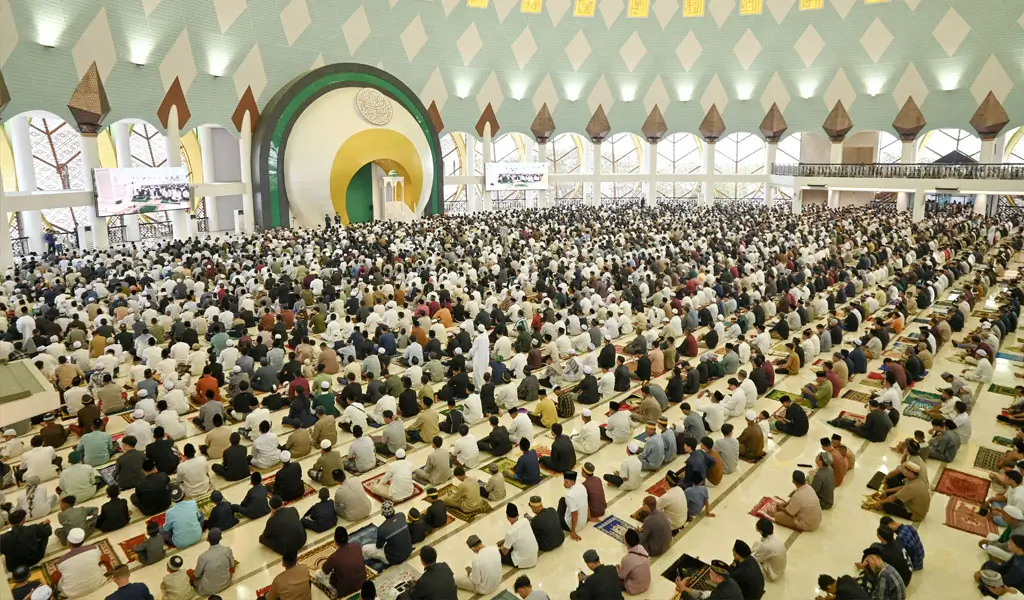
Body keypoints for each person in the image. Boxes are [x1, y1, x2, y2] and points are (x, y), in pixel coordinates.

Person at [52, 528, 111, 598]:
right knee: (104, 558)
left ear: (68, 543)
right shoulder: (94, 549)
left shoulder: (61, 561)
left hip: (72, 593)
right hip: (97, 582)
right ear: (82, 541)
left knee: (55, 575)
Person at [315, 527, 367, 598]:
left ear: (335, 542)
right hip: (362, 583)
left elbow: (324, 571)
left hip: (345, 590)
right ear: (348, 537)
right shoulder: (357, 546)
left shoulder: (334, 557)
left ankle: (333, 590)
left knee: (318, 574)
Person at [361, 501, 413, 567]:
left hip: (393, 559)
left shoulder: (382, 528)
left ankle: (366, 563)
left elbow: (378, 546)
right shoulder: (402, 515)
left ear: (383, 514)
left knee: (364, 548)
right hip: (408, 551)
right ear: (393, 510)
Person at [500, 502, 539, 567]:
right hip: (534, 557)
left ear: (507, 517)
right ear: (518, 515)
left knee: (498, 554)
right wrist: (505, 540)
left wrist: (502, 547)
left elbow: (504, 552)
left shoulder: (509, 532)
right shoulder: (525, 521)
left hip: (521, 561)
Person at [617, 529, 651, 594]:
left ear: (626, 542)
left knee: (613, 579)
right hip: (647, 582)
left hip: (634, 587)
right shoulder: (641, 547)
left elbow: (621, 577)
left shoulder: (626, 560)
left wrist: (619, 571)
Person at [752, 517, 786, 581]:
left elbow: (754, 560)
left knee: (749, 562)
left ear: (761, 531)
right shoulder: (777, 538)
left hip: (772, 574)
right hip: (780, 569)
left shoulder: (766, 546)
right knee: (757, 544)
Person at [560, 470, 589, 541]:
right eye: (564, 481)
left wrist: (573, 531)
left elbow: (574, 514)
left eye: (566, 482)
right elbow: (587, 502)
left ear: (572, 482)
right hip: (584, 521)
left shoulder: (569, 495)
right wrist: (589, 517)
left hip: (573, 526)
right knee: (563, 501)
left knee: (560, 504)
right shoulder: (582, 486)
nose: (564, 484)